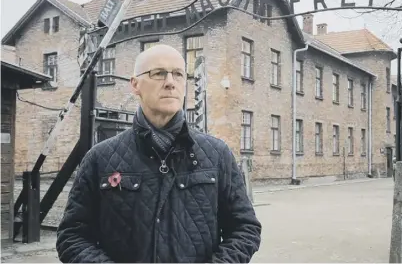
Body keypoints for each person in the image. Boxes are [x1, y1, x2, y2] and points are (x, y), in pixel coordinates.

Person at [56, 44, 262, 263]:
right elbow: (72, 236)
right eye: (159, 73)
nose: (170, 82)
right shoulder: (100, 158)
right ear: (135, 85)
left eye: (178, 74)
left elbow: (245, 228)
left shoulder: (217, 154)